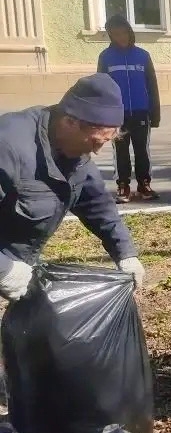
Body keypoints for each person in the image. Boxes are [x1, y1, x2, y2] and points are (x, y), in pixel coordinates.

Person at [0, 74, 147, 301]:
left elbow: (97, 204)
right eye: (95, 141)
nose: (96, 151)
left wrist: (126, 254)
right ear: (69, 122)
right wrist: (4, 270)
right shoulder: (8, 146)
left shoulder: (75, 153)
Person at [98, 15, 161, 204]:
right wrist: (103, 115)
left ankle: (144, 184)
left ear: (129, 32)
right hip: (117, 114)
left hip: (141, 112)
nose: (121, 37)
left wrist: (155, 113)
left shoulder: (143, 56)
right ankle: (123, 185)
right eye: (116, 34)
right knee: (121, 151)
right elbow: (101, 88)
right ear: (111, 35)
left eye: (124, 33)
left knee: (142, 150)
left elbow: (152, 85)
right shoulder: (106, 57)